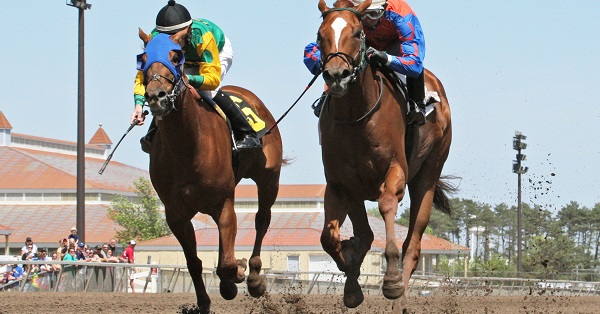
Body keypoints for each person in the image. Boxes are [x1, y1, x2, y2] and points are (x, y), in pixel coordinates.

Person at [132, 0, 261, 153]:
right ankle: (152, 132)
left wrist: (188, 79)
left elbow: (212, 79)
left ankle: (248, 132)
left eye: (177, 38)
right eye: (168, 38)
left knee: (209, 92)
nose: (173, 42)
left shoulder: (203, 37)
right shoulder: (155, 40)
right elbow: (143, 77)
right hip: (181, 58)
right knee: (166, 87)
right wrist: (138, 105)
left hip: (216, 52)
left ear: (188, 31)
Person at [303, 0, 427, 125]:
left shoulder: (402, 15)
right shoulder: (347, 10)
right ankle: (326, 95)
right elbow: (312, 51)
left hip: (395, 47)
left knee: (415, 69)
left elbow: (415, 64)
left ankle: (417, 105)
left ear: (384, 8)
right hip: (362, 45)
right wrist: (328, 62)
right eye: (364, 15)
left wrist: (385, 58)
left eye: (374, 14)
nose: (368, 20)